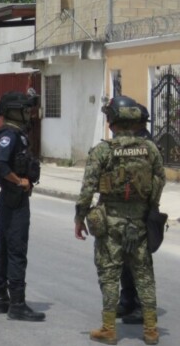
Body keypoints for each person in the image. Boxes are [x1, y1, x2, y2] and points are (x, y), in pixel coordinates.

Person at [75, 95, 164, 345]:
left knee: (109, 274)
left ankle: (108, 329)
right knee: (144, 274)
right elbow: (159, 179)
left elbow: (87, 189)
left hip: (110, 222)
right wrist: (151, 206)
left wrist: (79, 218)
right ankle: (151, 330)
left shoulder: (102, 151)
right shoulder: (150, 149)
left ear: (113, 121)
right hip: (140, 222)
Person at [0, 91, 45, 322]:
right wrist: (19, 180)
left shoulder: (14, 134)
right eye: (25, 110)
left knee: (3, 247)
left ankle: (0, 299)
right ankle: (17, 304)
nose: (28, 114)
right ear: (14, 111)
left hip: (12, 199)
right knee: (16, 250)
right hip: (13, 199)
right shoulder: (9, 136)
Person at [117, 103, 154, 324]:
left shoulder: (146, 144)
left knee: (139, 260)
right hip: (125, 209)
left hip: (140, 209)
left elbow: (153, 179)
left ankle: (141, 306)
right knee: (124, 257)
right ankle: (127, 299)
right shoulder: (129, 141)